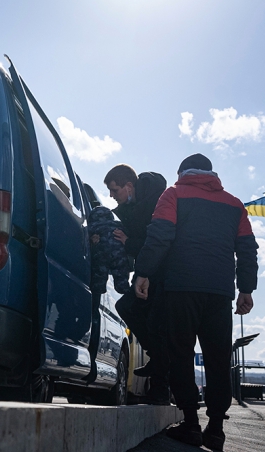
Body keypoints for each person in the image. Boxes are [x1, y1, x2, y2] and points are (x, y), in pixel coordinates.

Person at [133, 153, 257, 451]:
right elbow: (247, 249)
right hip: (219, 293)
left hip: (182, 287)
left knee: (181, 355)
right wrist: (246, 289)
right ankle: (215, 429)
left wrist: (143, 272)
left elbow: (160, 235)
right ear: (211, 174)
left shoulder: (173, 193)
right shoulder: (234, 203)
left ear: (181, 172)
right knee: (217, 359)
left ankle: (190, 423)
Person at [103, 164, 169, 404]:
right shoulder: (129, 208)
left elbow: (160, 241)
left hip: (163, 275)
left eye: (115, 190)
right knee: (128, 309)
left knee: (156, 325)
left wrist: (130, 243)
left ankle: (161, 385)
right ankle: (159, 360)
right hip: (144, 272)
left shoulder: (156, 202)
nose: (112, 196)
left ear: (129, 186)